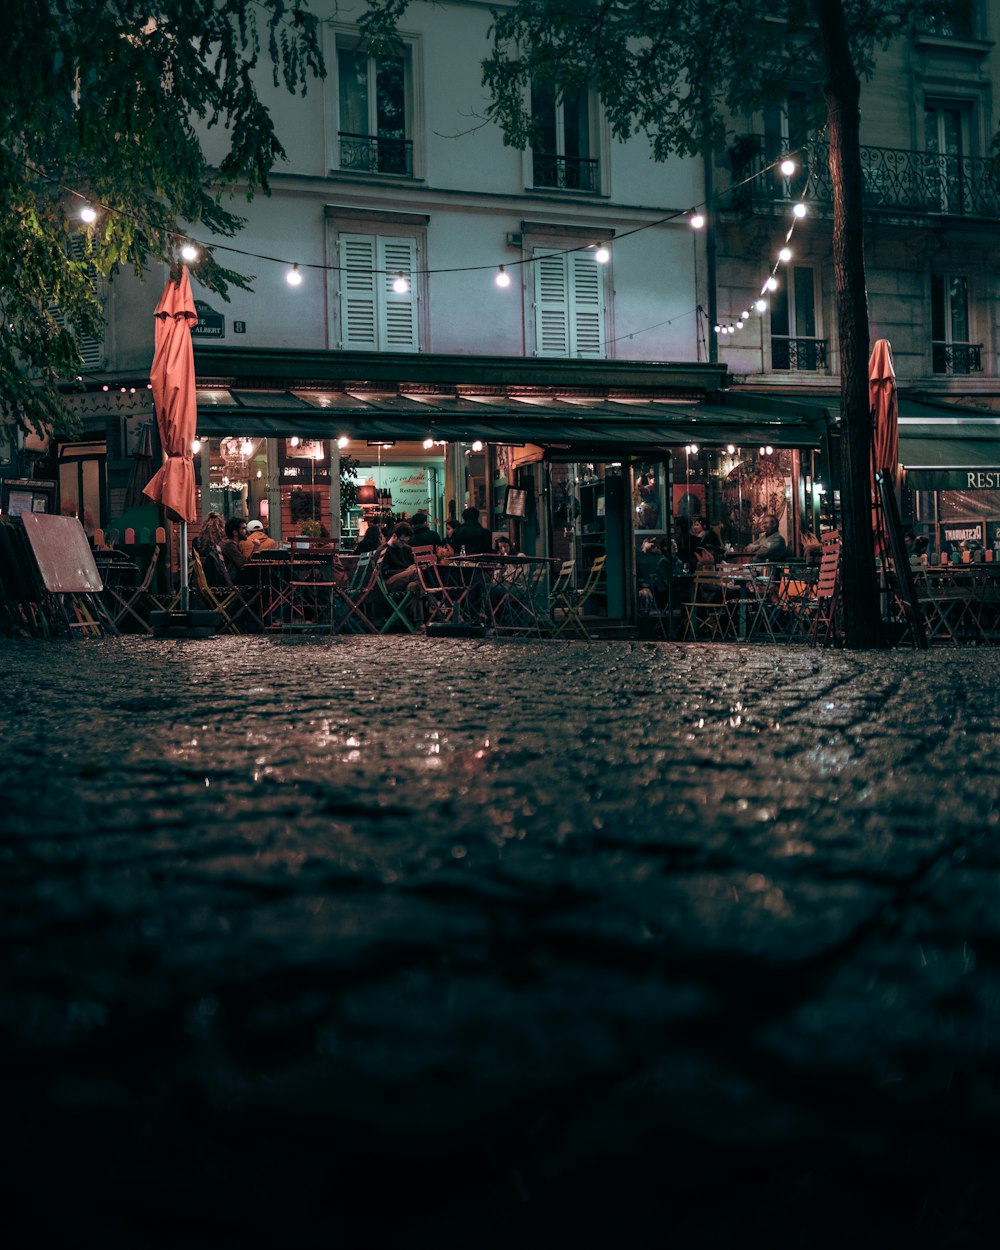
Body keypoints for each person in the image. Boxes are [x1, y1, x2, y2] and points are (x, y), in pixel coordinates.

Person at [376, 521, 427, 626]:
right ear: (394, 536)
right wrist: (406, 571)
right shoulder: (383, 550)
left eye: (406, 541)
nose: (403, 544)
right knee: (415, 571)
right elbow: (384, 573)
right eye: (402, 541)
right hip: (389, 583)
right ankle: (433, 603)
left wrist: (410, 570)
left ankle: (419, 623)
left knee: (414, 586)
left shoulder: (407, 549)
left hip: (406, 582)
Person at [220, 516, 249, 580]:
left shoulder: (228, 543)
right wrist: (256, 547)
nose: (247, 531)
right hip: (233, 578)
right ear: (235, 532)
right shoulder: (230, 545)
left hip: (232, 576)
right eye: (243, 528)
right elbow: (242, 564)